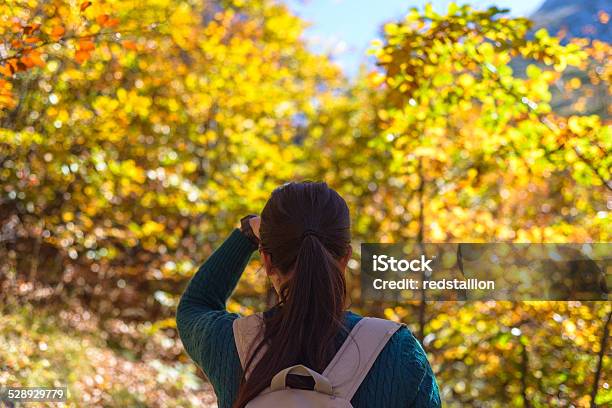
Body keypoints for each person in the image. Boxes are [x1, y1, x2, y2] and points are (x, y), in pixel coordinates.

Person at [177, 181, 441, 408]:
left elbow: (194, 305)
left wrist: (246, 235)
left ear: (267, 261)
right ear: (345, 257)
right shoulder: (396, 350)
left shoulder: (231, 343)